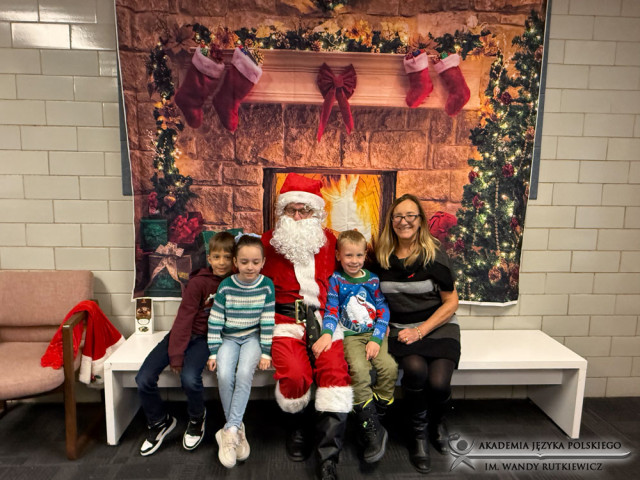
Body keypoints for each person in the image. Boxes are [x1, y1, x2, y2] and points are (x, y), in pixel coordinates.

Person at [261, 173, 352, 480]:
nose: (298, 216)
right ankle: (297, 427)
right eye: (292, 210)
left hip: (326, 321)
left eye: (305, 210)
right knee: (295, 374)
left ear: (316, 212)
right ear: (282, 211)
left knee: (335, 374)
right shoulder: (266, 243)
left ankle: (329, 457)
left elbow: (349, 282)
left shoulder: (332, 242)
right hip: (284, 321)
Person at [372, 194, 460, 474]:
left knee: (438, 383)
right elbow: (371, 296)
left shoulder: (434, 254)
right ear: (391, 221)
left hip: (437, 326)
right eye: (398, 216)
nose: (404, 221)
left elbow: (451, 302)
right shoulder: (381, 255)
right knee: (415, 370)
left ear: (420, 220)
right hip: (401, 330)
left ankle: (437, 423)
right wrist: (380, 322)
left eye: (411, 215)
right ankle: (418, 435)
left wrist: (421, 330)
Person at [135, 231, 235, 456]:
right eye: (217, 257)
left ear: (234, 259)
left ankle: (197, 418)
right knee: (143, 378)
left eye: (227, 257)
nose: (221, 262)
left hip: (204, 340)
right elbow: (184, 319)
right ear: (209, 258)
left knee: (190, 378)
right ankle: (159, 421)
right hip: (180, 335)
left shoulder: (236, 283)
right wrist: (176, 354)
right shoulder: (199, 282)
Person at [313, 229, 397, 464]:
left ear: (365, 255)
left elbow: (383, 310)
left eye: (359, 255)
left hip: (374, 334)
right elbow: (331, 310)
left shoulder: (372, 280)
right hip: (350, 336)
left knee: (389, 368)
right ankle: (369, 423)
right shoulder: (336, 281)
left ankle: (375, 416)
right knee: (359, 371)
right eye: (348, 255)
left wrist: (376, 339)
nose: (354, 260)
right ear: (338, 255)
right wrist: (327, 334)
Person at [207, 233, 275, 468]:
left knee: (245, 372)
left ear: (263, 262)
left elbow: (267, 320)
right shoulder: (226, 286)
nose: (250, 267)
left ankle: (229, 430)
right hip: (229, 338)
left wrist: (266, 352)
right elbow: (215, 320)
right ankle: (235, 429)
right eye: (244, 262)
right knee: (225, 374)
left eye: (255, 262)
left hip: (252, 338)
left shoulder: (266, 285)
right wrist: (213, 352)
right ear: (235, 262)